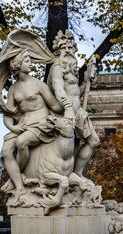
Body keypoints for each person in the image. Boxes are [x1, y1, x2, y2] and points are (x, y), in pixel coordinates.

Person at [1, 49, 63, 205]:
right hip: (23, 125)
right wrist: (13, 128)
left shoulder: (38, 84)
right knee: (5, 151)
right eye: (27, 61)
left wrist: (69, 104)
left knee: (21, 142)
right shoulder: (13, 89)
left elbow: (55, 106)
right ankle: (20, 187)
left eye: (30, 60)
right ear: (17, 65)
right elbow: (8, 113)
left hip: (41, 124)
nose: (31, 64)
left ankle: (17, 175)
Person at [47, 29, 100, 179]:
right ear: (58, 51)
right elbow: (58, 90)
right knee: (71, 149)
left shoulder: (72, 70)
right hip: (66, 112)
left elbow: (77, 92)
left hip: (78, 111)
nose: (68, 51)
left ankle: (77, 173)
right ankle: (68, 175)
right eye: (64, 48)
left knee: (94, 141)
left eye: (70, 48)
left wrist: (87, 80)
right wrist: (69, 109)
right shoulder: (57, 67)